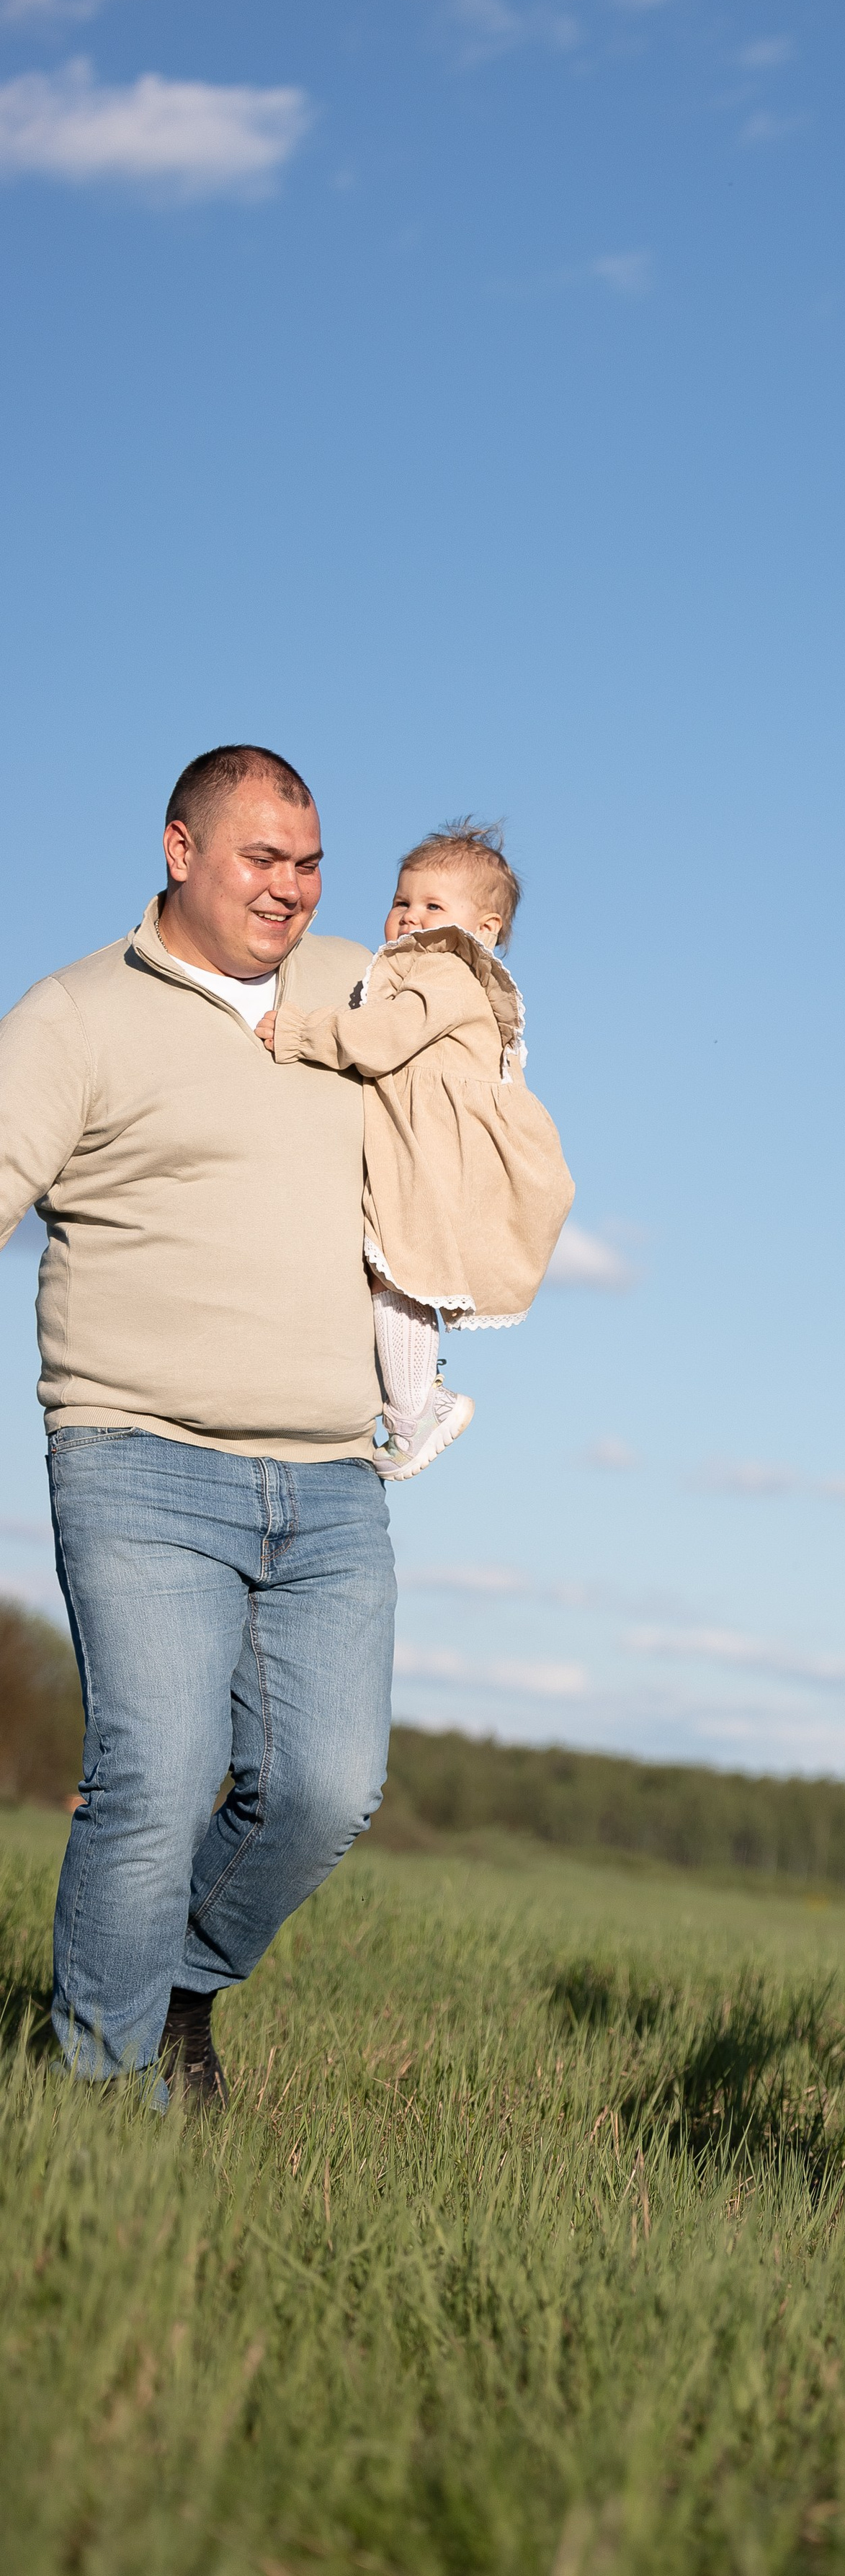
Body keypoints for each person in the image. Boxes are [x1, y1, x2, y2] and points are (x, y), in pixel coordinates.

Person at [0, 746, 393, 2105]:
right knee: (155, 1777)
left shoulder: (354, 985)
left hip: (336, 1473)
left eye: (309, 861)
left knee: (326, 1790)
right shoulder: (74, 1015)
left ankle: (179, 1981)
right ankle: (98, 2104)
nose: (290, 888)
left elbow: (477, 1043)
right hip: (138, 1456)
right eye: (260, 858)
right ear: (180, 851)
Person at [255, 820, 574, 1480]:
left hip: (432, 1156)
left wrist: (301, 1033)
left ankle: (417, 1409)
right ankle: (414, 1399)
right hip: (424, 1145)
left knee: (400, 1271)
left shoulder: (444, 971)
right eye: (403, 901)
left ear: (483, 929)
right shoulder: (430, 970)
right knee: (394, 1270)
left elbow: (382, 1038)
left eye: (433, 906)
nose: (409, 917)